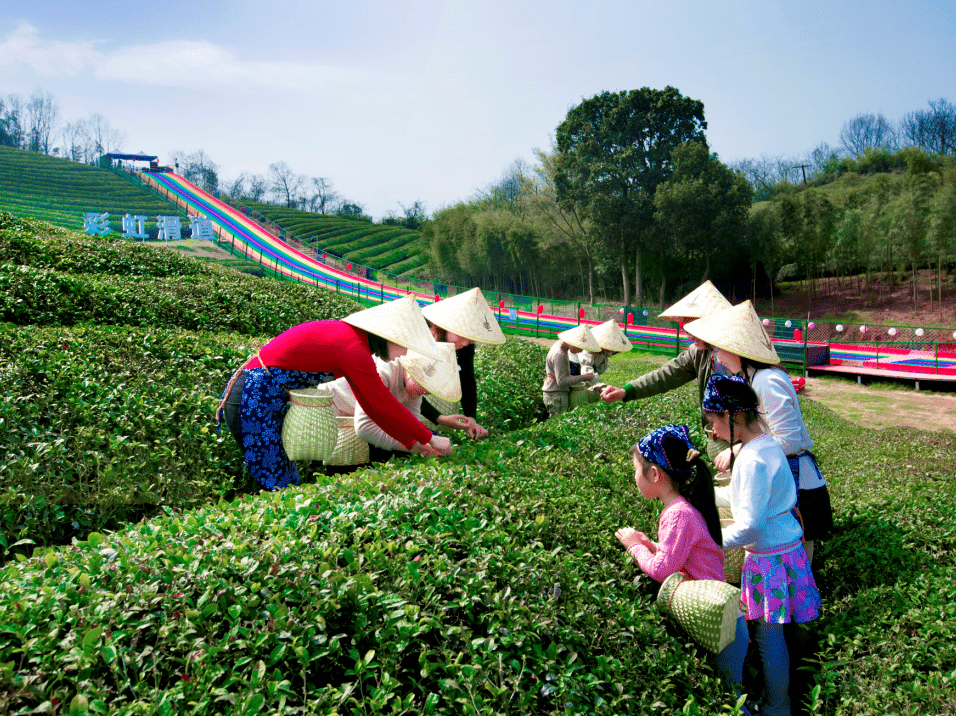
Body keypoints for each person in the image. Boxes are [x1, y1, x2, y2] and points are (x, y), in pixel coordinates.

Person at [216, 296, 452, 490]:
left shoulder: (354, 343)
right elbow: (381, 403)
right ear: (391, 336)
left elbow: (372, 406)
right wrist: (429, 437)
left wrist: (414, 441)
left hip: (264, 399)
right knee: (277, 483)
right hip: (252, 399)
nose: (405, 354)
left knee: (281, 480)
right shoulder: (353, 348)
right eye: (407, 344)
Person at [703, 374, 821, 716]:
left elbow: (750, 526)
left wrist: (712, 543)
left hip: (769, 562)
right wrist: (701, 494)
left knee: (770, 642)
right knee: (781, 637)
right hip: (788, 553)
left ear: (730, 416)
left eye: (713, 423)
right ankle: (783, 700)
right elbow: (742, 498)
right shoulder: (766, 444)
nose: (713, 432)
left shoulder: (752, 460)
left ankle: (777, 706)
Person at [615, 424, 750, 712]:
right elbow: (677, 556)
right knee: (730, 695)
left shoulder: (678, 514)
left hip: (722, 624)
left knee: (730, 703)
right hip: (722, 618)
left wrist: (634, 546)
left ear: (654, 474)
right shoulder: (684, 507)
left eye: (636, 471)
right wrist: (652, 544)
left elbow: (664, 570)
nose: (634, 478)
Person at [684, 301, 834, 561]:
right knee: (792, 545)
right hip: (781, 472)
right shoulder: (753, 378)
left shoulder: (766, 381)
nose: (717, 357)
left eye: (720, 349)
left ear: (738, 350)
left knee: (798, 544)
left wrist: (740, 448)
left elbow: (790, 440)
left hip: (797, 477)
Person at [599, 281, 734, 459]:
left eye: (693, 327)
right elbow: (666, 375)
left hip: (746, 442)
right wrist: (625, 391)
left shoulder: (741, 358)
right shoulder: (699, 353)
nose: (688, 335)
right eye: (686, 327)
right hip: (718, 437)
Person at [355, 342, 468, 460]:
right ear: (413, 369)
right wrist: (414, 444)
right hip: (342, 418)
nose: (428, 393)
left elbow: (411, 422)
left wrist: (426, 444)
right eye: (427, 385)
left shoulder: (414, 384)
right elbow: (364, 427)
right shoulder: (383, 372)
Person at [421, 287, 505, 439]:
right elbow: (408, 391)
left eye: (471, 339)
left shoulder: (464, 343)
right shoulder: (421, 338)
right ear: (443, 327)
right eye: (462, 336)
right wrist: (439, 417)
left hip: (430, 417)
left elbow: (467, 378)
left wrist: (470, 418)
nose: (466, 343)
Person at [541, 324, 600, 417]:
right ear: (574, 343)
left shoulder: (561, 346)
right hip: (556, 396)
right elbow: (562, 381)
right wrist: (584, 377)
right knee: (558, 424)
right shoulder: (559, 355)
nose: (580, 351)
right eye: (580, 348)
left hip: (556, 394)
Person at [578, 319, 632, 389]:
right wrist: (599, 386)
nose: (611, 349)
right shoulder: (588, 349)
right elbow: (586, 370)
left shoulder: (605, 351)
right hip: (575, 371)